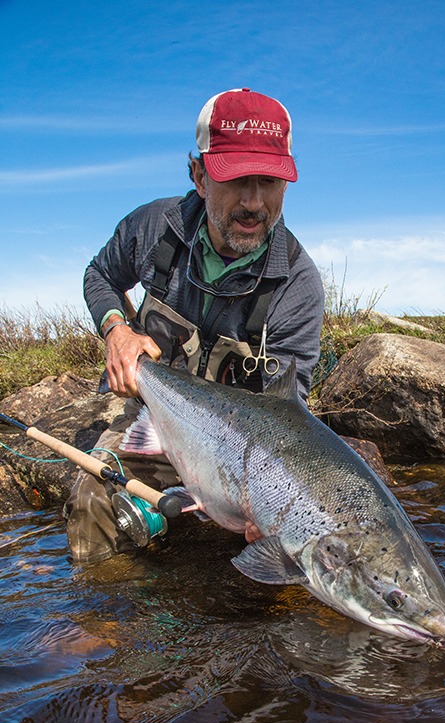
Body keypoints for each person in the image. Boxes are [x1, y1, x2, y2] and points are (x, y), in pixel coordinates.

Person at [65, 88, 325, 564]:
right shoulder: (152, 228)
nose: (254, 202)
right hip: (155, 419)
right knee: (92, 504)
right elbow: (99, 276)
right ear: (200, 176)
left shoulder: (298, 285)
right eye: (236, 180)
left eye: (269, 182)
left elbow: (287, 418)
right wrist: (116, 329)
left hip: (238, 455)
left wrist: (267, 506)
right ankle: (105, 630)